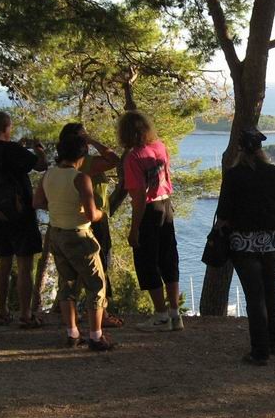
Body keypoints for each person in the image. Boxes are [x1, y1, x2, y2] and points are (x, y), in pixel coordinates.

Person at [216, 128, 275, 365]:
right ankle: (274, 343)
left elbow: (223, 212)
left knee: (254, 295)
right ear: (261, 150)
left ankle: (259, 351)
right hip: (272, 241)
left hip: (243, 243)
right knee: (270, 289)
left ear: (240, 151)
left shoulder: (232, 176)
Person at [32, 132, 114, 351]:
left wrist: (58, 209)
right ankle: (96, 336)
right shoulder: (80, 178)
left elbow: (37, 201)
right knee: (96, 284)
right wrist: (101, 214)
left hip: (57, 234)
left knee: (66, 284)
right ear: (82, 154)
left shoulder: (48, 175)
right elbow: (90, 214)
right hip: (79, 235)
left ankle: (72, 333)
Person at [0, 111, 47, 328]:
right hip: (22, 214)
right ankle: (25, 314)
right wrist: (38, 150)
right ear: (7, 127)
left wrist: (18, 148)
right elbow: (41, 165)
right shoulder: (13, 151)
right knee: (25, 266)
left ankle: (2, 312)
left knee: (3, 264)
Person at [118, 110, 183, 332]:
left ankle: (161, 316)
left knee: (148, 261)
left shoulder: (133, 157)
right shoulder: (160, 147)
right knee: (168, 258)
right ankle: (175, 314)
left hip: (149, 210)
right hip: (166, 206)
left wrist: (134, 229)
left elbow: (138, 198)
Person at [57, 122, 124, 329]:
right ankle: (100, 315)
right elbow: (115, 160)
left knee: (71, 272)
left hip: (70, 220)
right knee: (100, 266)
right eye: (82, 137)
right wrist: (93, 141)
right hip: (94, 218)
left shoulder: (60, 166)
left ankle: (72, 315)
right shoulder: (87, 163)